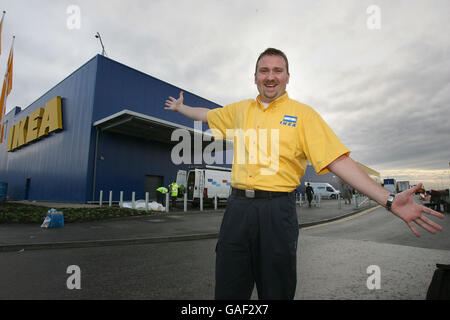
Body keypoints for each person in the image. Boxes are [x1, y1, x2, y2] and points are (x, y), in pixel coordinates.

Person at [164, 48, 444, 300]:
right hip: (237, 211)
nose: (270, 76)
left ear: (287, 77)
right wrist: (181, 108)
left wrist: (390, 200)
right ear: (255, 77)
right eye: (264, 70)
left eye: (277, 70)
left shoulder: (303, 115)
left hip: (277, 211)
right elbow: (208, 114)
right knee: (228, 290)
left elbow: (338, 161)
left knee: (276, 289)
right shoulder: (239, 110)